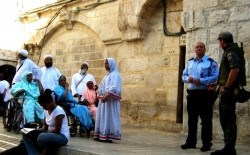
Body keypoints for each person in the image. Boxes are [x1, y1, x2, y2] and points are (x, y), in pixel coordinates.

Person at [210, 32, 246, 155]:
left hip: (229, 92)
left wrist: (226, 87)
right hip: (228, 89)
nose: (219, 43)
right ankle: (229, 147)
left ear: (223, 41)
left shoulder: (231, 51)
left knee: (227, 119)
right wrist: (218, 84)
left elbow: (235, 69)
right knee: (226, 118)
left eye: (219, 41)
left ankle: (229, 148)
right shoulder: (232, 50)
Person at [181, 42, 219, 152]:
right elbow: (183, 76)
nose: (199, 48)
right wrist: (188, 79)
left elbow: (215, 76)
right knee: (191, 120)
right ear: (194, 50)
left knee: (206, 120)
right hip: (192, 95)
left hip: (205, 95)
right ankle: (191, 142)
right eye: (197, 47)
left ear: (205, 49)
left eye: (201, 47)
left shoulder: (210, 62)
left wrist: (201, 81)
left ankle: (207, 143)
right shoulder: (190, 62)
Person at [22, 89, 70, 155]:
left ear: (50, 102)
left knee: (42, 136)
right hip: (50, 134)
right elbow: (45, 125)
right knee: (25, 134)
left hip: (61, 136)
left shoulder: (58, 111)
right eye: (42, 106)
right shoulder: (46, 110)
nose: (44, 108)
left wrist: (43, 132)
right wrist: (38, 130)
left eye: (45, 105)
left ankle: (35, 152)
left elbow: (57, 130)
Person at [94, 58, 122, 142]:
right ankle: (102, 134)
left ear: (111, 64)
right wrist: (98, 90)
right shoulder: (107, 75)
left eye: (107, 63)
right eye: (105, 63)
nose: (105, 65)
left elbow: (115, 87)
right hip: (104, 101)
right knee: (103, 117)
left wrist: (107, 95)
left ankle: (109, 135)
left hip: (110, 101)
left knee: (110, 117)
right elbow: (103, 86)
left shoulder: (115, 75)